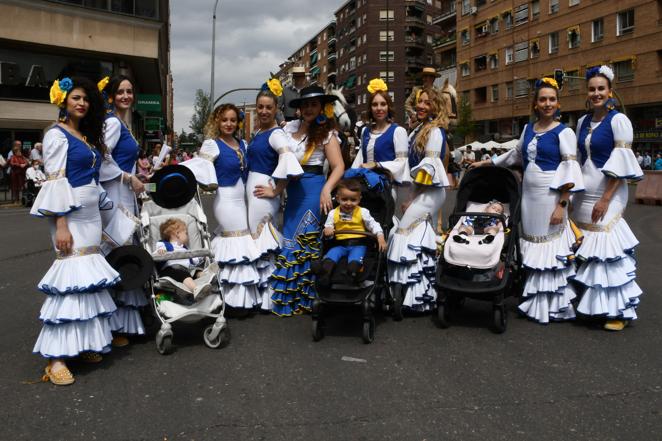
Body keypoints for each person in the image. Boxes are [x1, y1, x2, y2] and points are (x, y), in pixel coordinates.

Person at [472, 77, 584, 324]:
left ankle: (553, 306)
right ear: (535, 104)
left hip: (550, 196)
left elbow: (570, 170)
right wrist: (486, 162)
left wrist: (561, 205)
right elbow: (515, 155)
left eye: (552, 99)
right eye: (543, 99)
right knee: (532, 246)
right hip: (529, 197)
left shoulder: (564, 132)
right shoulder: (527, 129)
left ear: (558, 103)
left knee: (549, 249)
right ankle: (534, 300)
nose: (547, 104)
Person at [31, 76, 119, 385]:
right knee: (69, 282)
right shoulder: (55, 135)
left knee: (88, 282)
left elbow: (93, 179)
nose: (81, 103)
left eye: (85, 99)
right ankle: (55, 360)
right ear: (64, 101)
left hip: (92, 216)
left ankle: (79, 346)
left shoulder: (84, 135)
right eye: (76, 98)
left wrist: (109, 206)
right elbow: (56, 182)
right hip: (70, 217)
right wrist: (61, 223)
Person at [571, 65, 644, 331]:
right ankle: (590, 306)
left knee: (606, 248)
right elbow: (578, 161)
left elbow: (622, 164)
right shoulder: (581, 122)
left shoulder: (618, 121)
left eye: (601, 88)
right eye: (592, 89)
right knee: (586, 247)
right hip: (584, 193)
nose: (596, 93)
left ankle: (617, 310)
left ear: (610, 91)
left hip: (608, 193)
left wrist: (605, 198)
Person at [269, 85, 345, 316]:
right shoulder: (288, 128)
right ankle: (291, 298)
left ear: (321, 106)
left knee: (308, 242)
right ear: (300, 108)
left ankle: (308, 298)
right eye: (306, 104)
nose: (310, 108)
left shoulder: (327, 133)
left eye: (314, 104)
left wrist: (327, 190)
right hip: (292, 191)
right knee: (290, 239)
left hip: (314, 191)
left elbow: (339, 166)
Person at [183, 103, 264, 310]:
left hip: (243, 200)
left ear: (238, 123)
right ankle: (228, 300)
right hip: (225, 201)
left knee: (244, 240)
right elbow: (199, 167)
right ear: (217, 121)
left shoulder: (243, 144)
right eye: (224, 119)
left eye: (233, 120)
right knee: (235, 241)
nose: (229, 124)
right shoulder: (212, 144)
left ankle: (241, 299)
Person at [388, 86, 450, 313]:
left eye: (426, 103)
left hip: (430, 192)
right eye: (419, 102)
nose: (421, 106)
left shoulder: (434, 131)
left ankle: (408, 293)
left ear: (436, 107)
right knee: (423, 241)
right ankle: (423, 296)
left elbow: (429, 169)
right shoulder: (419, 129)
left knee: (403, 232)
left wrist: (412, 198)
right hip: (421, 191)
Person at [97, 75, 146, 346]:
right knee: (118, 251)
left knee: (125, 251)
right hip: (116, 195)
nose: (126, 96)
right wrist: (129, 178)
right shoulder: (113, 122)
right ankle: (111, 324)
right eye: (120, 92)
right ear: (112, 96)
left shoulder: (123, 122)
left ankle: (123, 323)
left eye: (129, 91)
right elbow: (102, 159)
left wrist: (137, 174)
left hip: (125, 193)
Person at [247, 79, 304, 311]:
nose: (263, 111)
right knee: (256, 243)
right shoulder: (260, 131)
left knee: (264, 244)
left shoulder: (276, 134)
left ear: (276, 109)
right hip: (253, 192)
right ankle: (261, 296)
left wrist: (277, 190)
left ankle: (270, 298)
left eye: (268, 107)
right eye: (260, 107)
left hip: (263, 192)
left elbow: (289, 159)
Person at [351, 78, 410, 218]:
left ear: (388, 106)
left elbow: (401, 162)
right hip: (364, 186)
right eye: (375, 104)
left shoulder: (398, 131)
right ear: (370, 108)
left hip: (386, 187)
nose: (379, 108)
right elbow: (360, 159)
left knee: (381, 224)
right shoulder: (365, 131)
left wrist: (377, 164)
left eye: (383, 104)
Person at [317, 178, 387, 285]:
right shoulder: (333, 213)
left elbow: (374, 225)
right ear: (338, 198)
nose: (348, 203)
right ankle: (324, 275)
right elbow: (328, 228)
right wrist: (328, 231)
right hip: (340, 244)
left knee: (355, 259)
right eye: (344, 199)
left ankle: (352, 274)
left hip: (358, 244)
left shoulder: (363, 212)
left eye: (353, 200)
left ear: (359, 199)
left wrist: (380, 237)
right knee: (331, 256)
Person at [155, 218, 213, 299]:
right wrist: (161, 251)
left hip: (186, 270)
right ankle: (196, 289)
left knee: (196, 271)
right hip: (170, 271)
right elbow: (159, 250)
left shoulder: (184, 249)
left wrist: (201, 257)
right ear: (177, 233)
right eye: (186, 233)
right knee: (183, 274)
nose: (187, 236)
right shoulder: (165, 244)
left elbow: (192, 261)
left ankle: (207, 276)